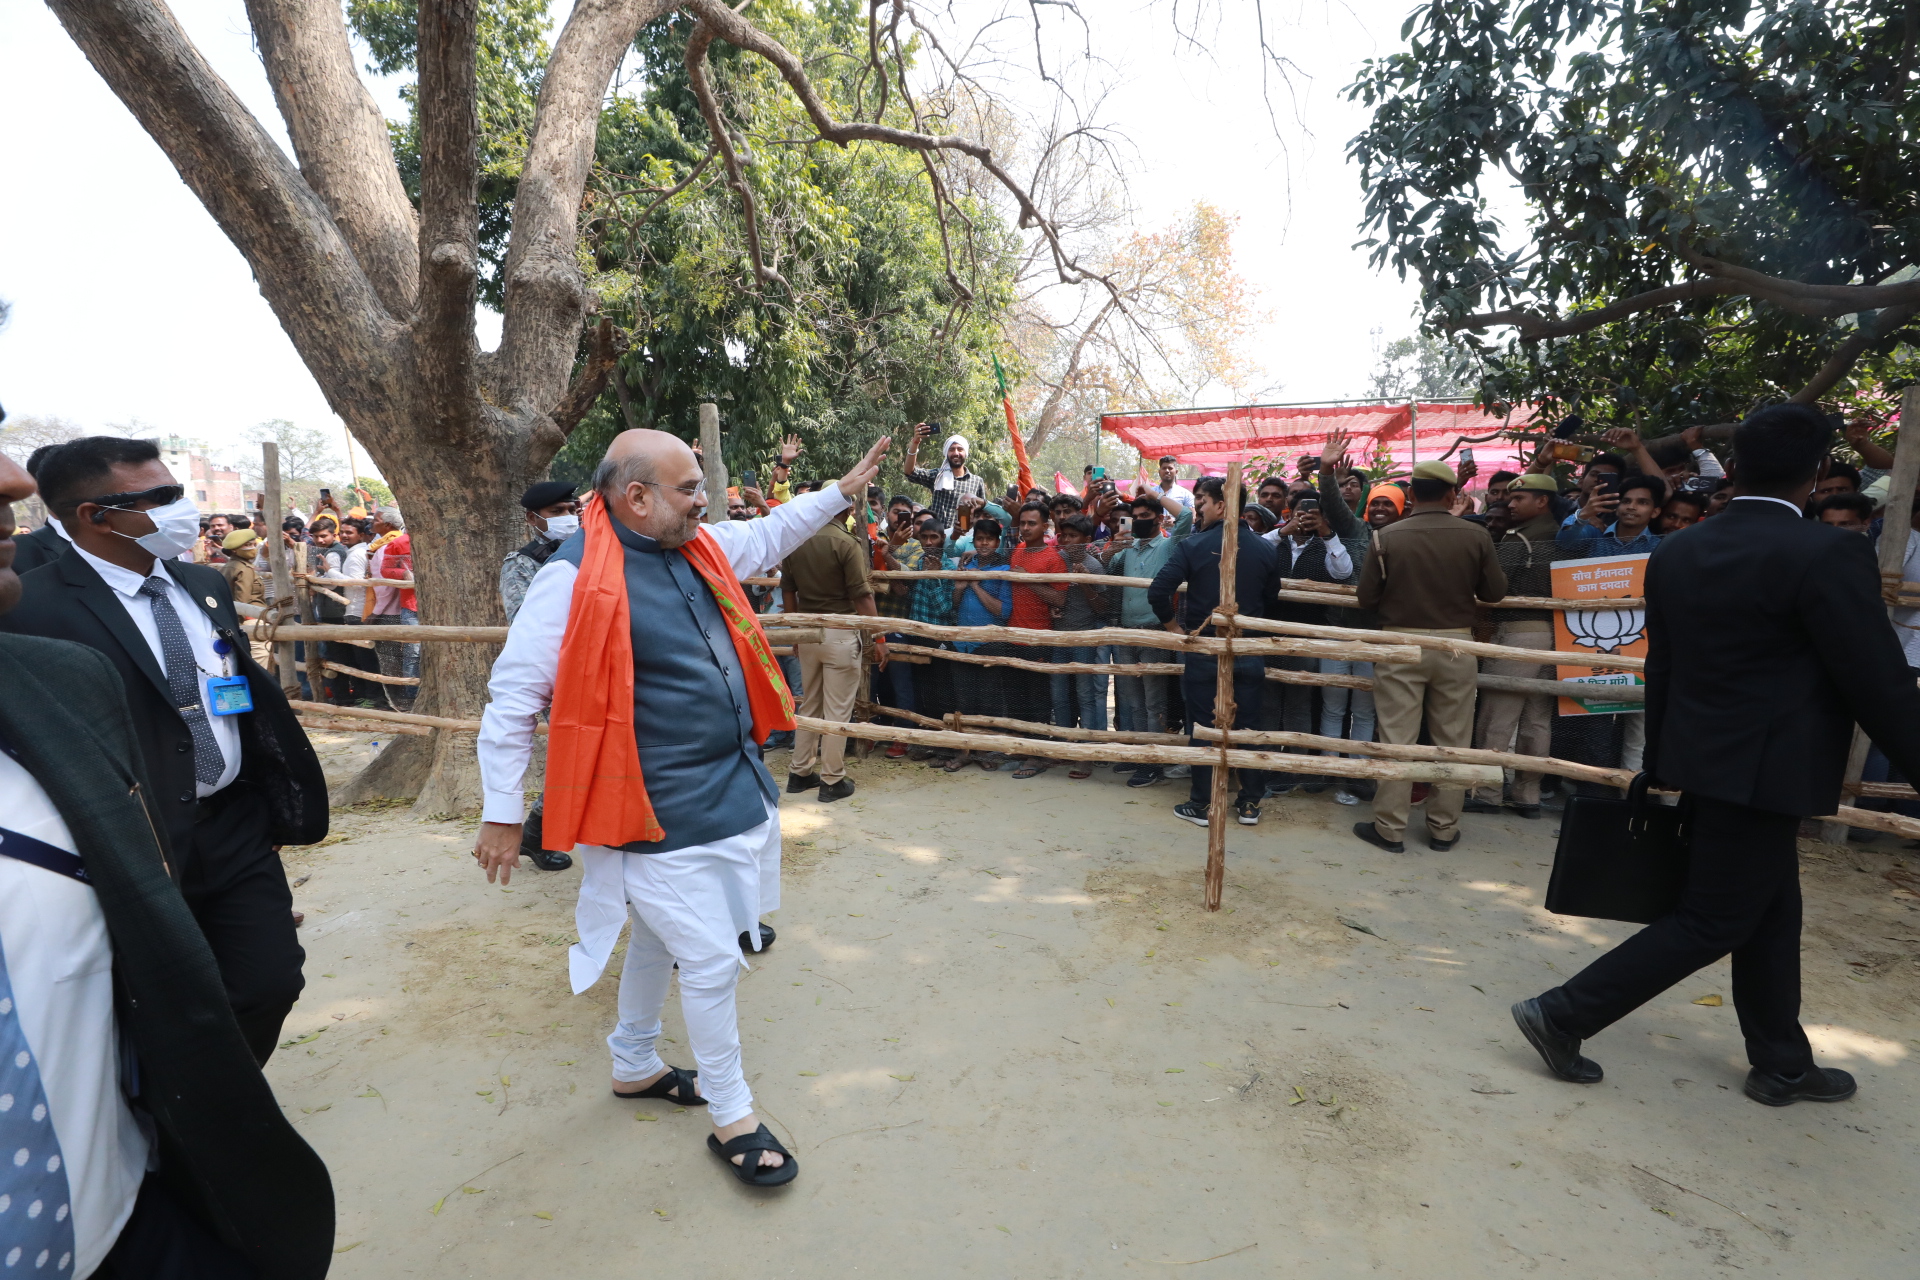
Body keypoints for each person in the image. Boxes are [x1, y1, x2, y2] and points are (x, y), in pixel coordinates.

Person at [474, 428, 889, 1187]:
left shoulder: (693, 546)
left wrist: (840, 491)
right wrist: (502, 812)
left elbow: (768, 534)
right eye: (691, 489)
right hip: (645, 805)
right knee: (707, 958)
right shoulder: (570, 580)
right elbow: (513, 699)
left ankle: (633, 1064)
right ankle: (733, 1113)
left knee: (662, 943)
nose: (705, 502)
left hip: (727, 787)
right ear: (636, 498)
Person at [1514, 404, 1920, 1105]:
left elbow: (1661, 667)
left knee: (1772, 911)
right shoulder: (1828, 552)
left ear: (1734, 468)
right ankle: (1564, 1012)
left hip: (1705, 761)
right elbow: (1876, 680)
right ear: (1819, 471)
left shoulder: (1680, 550)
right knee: (1716, 918)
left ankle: (1782, 1062)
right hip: (1772, 771)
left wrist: (1665, 757)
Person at [0, 434, 335, 1280]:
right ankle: (154, 1124)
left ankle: (196, 1109)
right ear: (93, 517)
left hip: (232, 826)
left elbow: (233, 690)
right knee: (151, 997)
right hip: (140, 843)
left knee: (267, 979)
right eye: (154, 497)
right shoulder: (34, 607)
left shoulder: (203, 583)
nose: (178, 509)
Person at [1352, 460, 1509, 853]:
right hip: (1457, 646)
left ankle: (1389, 828)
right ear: (1451, 494)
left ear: (1411, 495)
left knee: (1397, 739)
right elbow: (1494, 594)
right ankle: (1443, 828)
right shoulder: (1475, 536)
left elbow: (1366, 599)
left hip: (1399, 645)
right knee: (1453, 740)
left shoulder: (1385, 537)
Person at [1148, 476, 1283, 828]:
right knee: (1250, 725)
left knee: (1203, 726)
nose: (1198, 509)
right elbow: (1271, 600)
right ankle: (1250, 802)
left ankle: (1203, 803)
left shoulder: (1193, 546)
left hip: (1205, 650)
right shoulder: (1266, 549)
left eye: (1202, 501)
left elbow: (1158, 592)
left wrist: (1176, 631)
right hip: (1249, 648)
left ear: (1221, 505)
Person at [1467, 473, 1561, 819]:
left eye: (1520, 498)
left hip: (1519, 631)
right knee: (1537, 719)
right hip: (1555, 635)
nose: (1510, 503)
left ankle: (1487, 791)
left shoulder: (1519, 537)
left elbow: (1493, 585)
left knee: (1497, 715)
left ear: (1542, 501)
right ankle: (1528, 795)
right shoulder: (1560, 532)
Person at [782, 504, 884, 802]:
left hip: (808, 632)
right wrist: (879, 636)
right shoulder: (845, 542)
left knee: (810, 703)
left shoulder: (797, 539)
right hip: (839, 632)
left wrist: (795, 631)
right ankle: (831, 779)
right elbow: (862, 594)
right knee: (838, 709)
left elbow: (788, 590)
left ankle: (799, 772)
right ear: (846, 511)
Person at [1108, 491, 1193, 786]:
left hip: (1154, 631)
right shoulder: (1128, 548)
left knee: (1154, 701)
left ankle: (1153, 761)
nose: (1140, 521)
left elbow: (1186, 517)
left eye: (1146, 516)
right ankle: (1140, 755)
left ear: (1159, 519)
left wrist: (1156, 494)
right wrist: (1110, 550)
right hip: (1126, 631)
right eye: (1137, 517)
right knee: (1133, 700)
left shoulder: (1170, 546)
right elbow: (1108, 569)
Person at [945, 517, 1015, 773]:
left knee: (988, 700)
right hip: (962, 642)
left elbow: (1002, 611)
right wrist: (961, 587)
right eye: (979, 539)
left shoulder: (1004, 570)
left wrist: (974, 583)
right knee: (962, 700)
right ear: (974, 541)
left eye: (989, 539)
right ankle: (964, 752)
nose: (984, 543)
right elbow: (954, 603)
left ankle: (985, 751)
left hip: (988, 643)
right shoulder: (967, 564)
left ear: (997, 542)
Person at [1005, 501, 1068, 779]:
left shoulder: (1054, 558)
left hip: (1039, 637)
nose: (1026, 528)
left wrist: (1028, 579)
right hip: (1013, 634)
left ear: (1046, 526)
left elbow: (1059, 599)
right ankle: (1023, 748)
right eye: (1023, 523)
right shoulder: (1017, 550)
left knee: (1038, 699)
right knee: (1017, 697)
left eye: (1032, 523)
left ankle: (1037, 755)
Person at [1050, 514, 1111, 776]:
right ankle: (1065, 747)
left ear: (1087, 540)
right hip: (1057, 638)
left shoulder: (1095, 567)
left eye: (1073, 536)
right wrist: (1052, 607)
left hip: (1083, 639)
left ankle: (1085, 754)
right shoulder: (1056, 561)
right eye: (1063, 536)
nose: (1066, 541)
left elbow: (1103, 607)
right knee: (1059, 695)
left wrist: (1086, 585)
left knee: (1085, 695)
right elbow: (1052, 596)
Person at [500, 481, 579, 624]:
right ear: (532, 518)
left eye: (571, 510)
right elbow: (524, 623)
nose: (567, 517)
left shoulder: (586, 551)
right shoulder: (520, 564)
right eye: (557, 511)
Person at [365, 506, 419, 709]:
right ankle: (412, 698)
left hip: (434, 608)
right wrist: (402, 575)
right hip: (410, 606)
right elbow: (387, 570)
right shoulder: (396, 544)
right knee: (413, 652)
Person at [903, 426, 987, 532]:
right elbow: (909, 472)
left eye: (960, 449)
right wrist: (915, 442)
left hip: (963, 538)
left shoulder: (976, 481)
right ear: (946, 453)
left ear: (966, 453)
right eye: (951, 449)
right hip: (936, 537)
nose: (956, 453)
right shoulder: (937, 475)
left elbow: (982, 512)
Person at [1558, 472, 1666, 553]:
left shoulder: (1659, 548)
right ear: (1617, 507)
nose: (1631, 507)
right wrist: (1584, 514)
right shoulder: (1595, 533)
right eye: (1626, 501)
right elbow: (1565, 543)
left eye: (1642, 502)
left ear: (1655, 512)